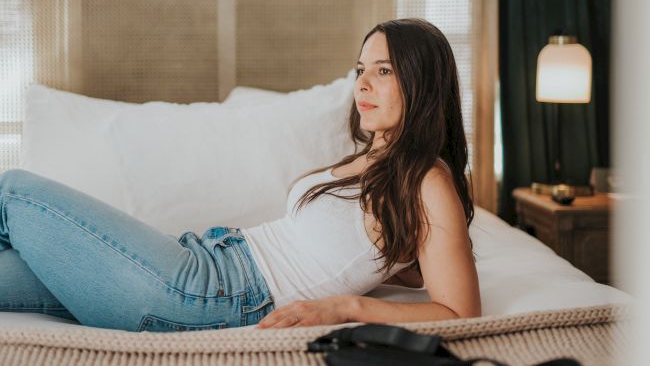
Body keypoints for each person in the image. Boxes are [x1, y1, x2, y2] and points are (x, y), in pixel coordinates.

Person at [0, 18, 480, 332]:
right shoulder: (376, 160)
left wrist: (347, 306)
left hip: (212, 293)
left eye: (383, 71)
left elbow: (460, 312)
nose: (362, 83)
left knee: (13, 191)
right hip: (199, 261)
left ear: (421, 82)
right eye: (360, 70)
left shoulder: (427, 180)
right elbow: (402, 261)